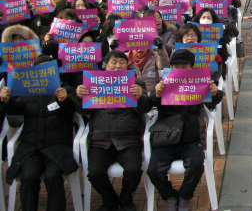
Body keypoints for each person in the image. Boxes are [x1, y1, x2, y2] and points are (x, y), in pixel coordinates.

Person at [0, 56, 79, 211]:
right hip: (31, 146)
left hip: (57, 146)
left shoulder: (65, 89)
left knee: (52, 177)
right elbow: (15, 110)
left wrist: (64, 101)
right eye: (40, 70)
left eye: (48, 69)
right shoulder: (26, 92)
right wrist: (5, 101)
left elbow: (75, 110)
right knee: (28, 177)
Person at [147, 50, 221, 211]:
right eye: (176, 66)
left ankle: (185, 196)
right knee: (153, 170)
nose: (180, 69)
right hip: (166, 137)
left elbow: (212, 102)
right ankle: (170, 196)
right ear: (171, 67)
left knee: (195, 166)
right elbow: (150, 103)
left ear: (192, 67)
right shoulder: (164, 81)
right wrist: (157, 95)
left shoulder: (200, 81)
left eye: (184, 66)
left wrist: (214, 93)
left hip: (191, 138)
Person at [76, 51, 151, 211]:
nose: (118, 66)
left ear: (127, 65)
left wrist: (140, 98)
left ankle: (125, 199)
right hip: (101, 140)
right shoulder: (93, 83)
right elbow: (83, 112)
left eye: (122, 62)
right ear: (106, 65)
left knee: (133, 170)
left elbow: (145, 109)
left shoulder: (136, 83)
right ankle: (109, 200)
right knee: (94, 173)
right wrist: (79, 97)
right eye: (114, 62)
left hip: (128, 139)